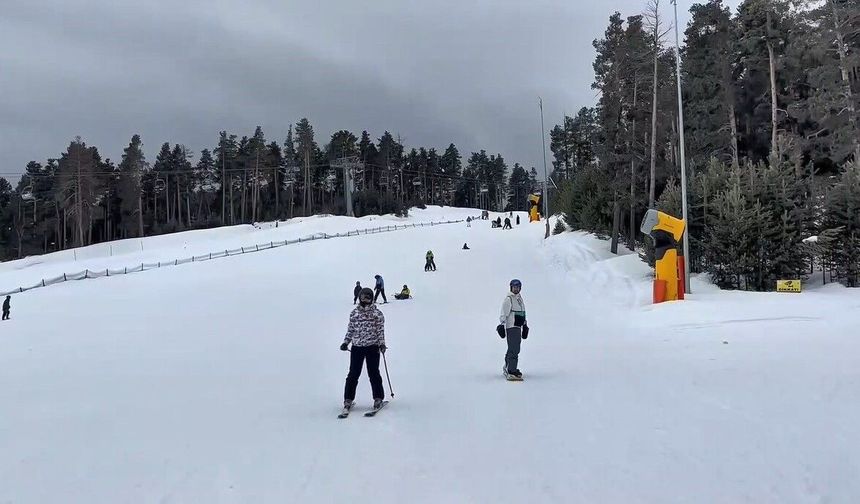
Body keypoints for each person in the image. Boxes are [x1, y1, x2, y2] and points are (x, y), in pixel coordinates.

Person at [340, 288, 387, 412]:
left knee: (374, 373)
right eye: (362, 297)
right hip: (357, 348)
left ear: (371, 298)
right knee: (353, 374)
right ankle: (348, 400)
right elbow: (350, 329)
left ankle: (378, 398)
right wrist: (346, 342)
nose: (364, 299)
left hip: (372, 347)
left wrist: (382, 344)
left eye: (367, 297)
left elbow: (380, 331)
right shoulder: (354, 313)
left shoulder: (377, 314)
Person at [497, 279, 528, 379]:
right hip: (512, 326)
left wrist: (525, 324)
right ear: (511, 287)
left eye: (518, 287)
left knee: (513, 348)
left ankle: (508, 367)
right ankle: (511, 370)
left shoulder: (519, 298)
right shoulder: (509, 299)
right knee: (514, 349)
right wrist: (502, 324)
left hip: (518, 326)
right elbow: (504, 312)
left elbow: (522, 312)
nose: (516, 289)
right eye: (514, 287)